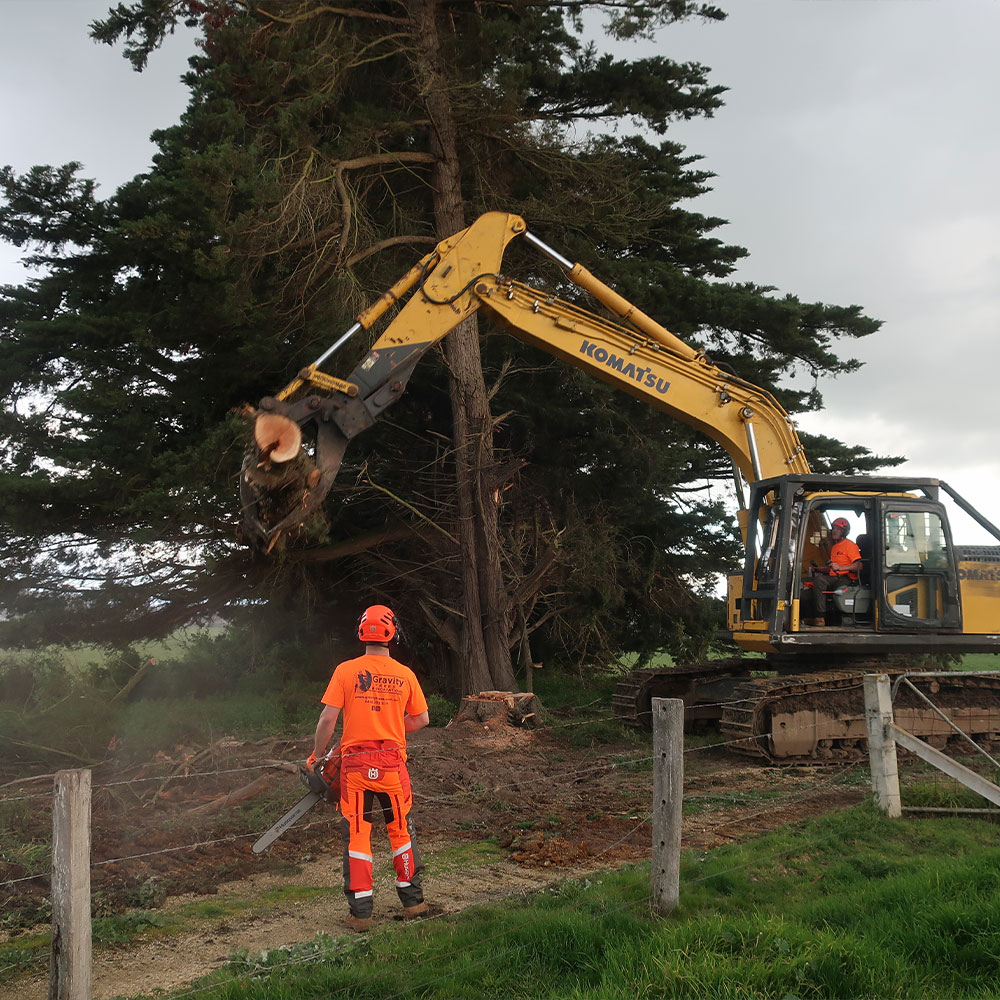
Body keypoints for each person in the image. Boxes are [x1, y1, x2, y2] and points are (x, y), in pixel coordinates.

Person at [307, 604, 430, 932]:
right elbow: (422, 718)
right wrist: (391, 727)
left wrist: (318, 756)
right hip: (392, 765)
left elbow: (327, 720)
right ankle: (414, 903)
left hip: (356, 767)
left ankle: (361, 913)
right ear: (393, 633)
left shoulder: (346, 671)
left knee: (358, 836)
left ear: (362, 631)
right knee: (401, 832)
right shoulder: (405, 674)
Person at [802, 517, 863, 626]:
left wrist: (840, 567)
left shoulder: (850, 545)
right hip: (835, 577)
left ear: (844, 532)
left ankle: (820, 618)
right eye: (834, 528)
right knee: (806, 592)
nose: (834, 531)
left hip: (846, 579)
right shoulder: (835, 547)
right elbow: (833, 568)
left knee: (820, 580)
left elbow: (859, 565)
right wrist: (821, 569)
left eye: (838, 529)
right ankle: (808, 618)